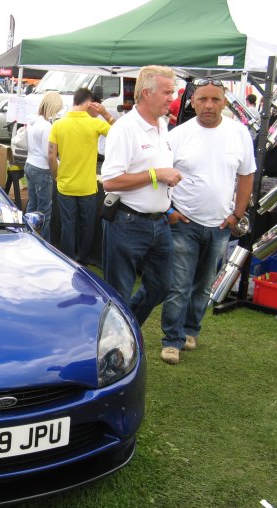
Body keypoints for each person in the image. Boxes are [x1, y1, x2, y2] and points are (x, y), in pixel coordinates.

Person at [160, 79, 255, 365]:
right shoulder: (179, 135)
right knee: (179, 284)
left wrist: (236, 214)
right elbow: (161, 173)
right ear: (192, 102)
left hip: (220, 226)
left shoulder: (239, 134)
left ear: (225, 102)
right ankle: (171, 340)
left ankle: (191, 330)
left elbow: (246, 175)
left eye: (215, 99)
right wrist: (169, 211)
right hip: (183, 222)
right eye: (202, 99)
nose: (209, 105)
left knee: (203, 286)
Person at [100, 65, 182, 326]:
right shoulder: (124, 128)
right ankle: (117, 342)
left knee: (161, 286)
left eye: (173, 92)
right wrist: (156, 174)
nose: (172, 98)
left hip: (160, 222)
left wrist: (167, 206)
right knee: (119, 293)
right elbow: (111, 181)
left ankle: (126, 330)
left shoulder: (162, 125)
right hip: (128, 222)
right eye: (168, 92)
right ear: (146, 93)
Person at [48, 87, 115, 263]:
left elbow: (51, 155)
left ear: (74, 102)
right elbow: (120, 134)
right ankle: (83, 260)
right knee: (87, 226)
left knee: (67, 226)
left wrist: (56, 176)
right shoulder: (95, 123)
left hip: (65, 185)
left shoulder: (58, 124)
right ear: (90, 104)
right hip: (87, 187)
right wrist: (106, 114)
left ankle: (68, 260)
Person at [23, 92, 63, 242]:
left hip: (30, 164)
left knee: (31, 207)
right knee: (44, 211)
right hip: (41, 169)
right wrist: (58, 168)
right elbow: (49, 154)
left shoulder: (32, 122)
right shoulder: (47, 126)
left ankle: (28, 238)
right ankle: (43, 244)